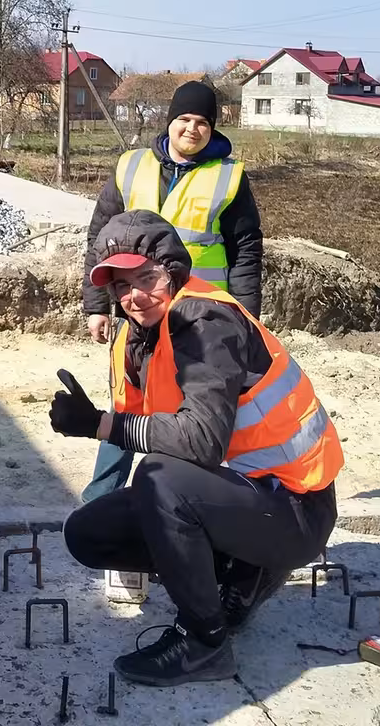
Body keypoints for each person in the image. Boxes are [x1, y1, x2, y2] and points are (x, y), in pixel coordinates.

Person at [53, 210, 341, 688]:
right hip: (240, 497)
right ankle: (244, 574)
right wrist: (99, 429)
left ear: (173, 271)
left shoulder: (206, 321)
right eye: (122, 286)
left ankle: (205, 644)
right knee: (89, 532)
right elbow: (144, 426)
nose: (134, 296)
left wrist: (99, 425)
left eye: (146, 278)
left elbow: (201, 441)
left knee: (159, 477)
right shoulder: (139, 336)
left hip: (295, 509)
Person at [81, 79, 263, 502]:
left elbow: (246, 251)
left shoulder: (229, 177)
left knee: (190, 408)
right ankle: (100, 498)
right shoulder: (130, 167)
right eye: (184, 119)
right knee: (128, 399)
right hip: (136, 310)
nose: (192, 129)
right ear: (169, 122)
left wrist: (246, 317)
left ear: (212, 128)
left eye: (202, 122)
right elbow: (98, 239)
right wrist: (97, 306)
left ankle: (172, 496)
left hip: (198, 318)